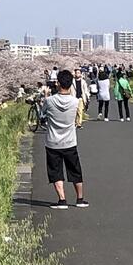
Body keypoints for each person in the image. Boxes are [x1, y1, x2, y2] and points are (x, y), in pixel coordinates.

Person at [37, 69, 88, 209]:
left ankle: (62, 200)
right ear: (71, 84)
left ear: (58, 83)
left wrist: (45, 96)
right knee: (75, 170)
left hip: (53, 142)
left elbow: (42, 116)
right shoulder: (75, 101)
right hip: (70, 141)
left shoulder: (49, 101)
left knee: (56, 171)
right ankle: (80, 199)